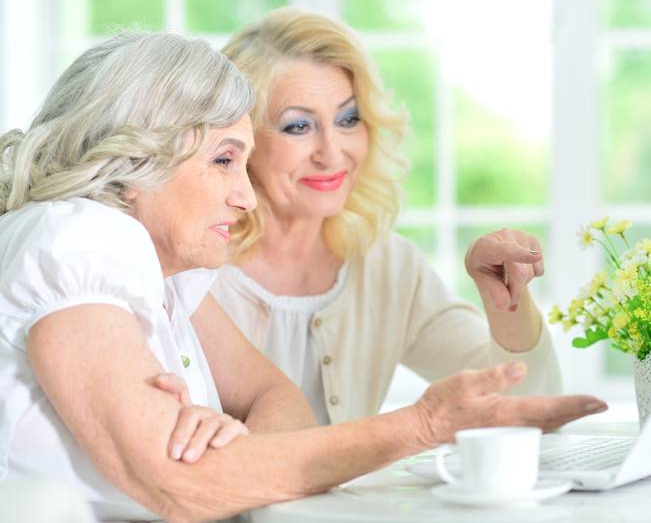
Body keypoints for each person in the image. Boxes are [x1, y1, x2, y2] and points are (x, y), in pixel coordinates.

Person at [0, 31, 606, 521]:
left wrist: (238, 448)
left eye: (348, 120)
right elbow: (181, 486)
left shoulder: (167, 269)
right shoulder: (75, 239)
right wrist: (422, 425)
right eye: (223, 159)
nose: (244, 196)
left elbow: (278, 398)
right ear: (136, 160)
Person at [213, 7, 562, 425]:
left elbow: (532, 408)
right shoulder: (194, 272)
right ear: (240, 140)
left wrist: (506, 301)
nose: (332, 154)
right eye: (298, 127)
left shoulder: (388, 267)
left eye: (348, 119)